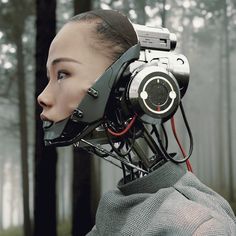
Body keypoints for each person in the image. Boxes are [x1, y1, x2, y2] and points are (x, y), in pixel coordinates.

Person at [37, 9, 236, 235]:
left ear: (130, 81)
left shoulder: (196, 226)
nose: (42, 97)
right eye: (49, 77)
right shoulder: (118, 205)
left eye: (62, 74)